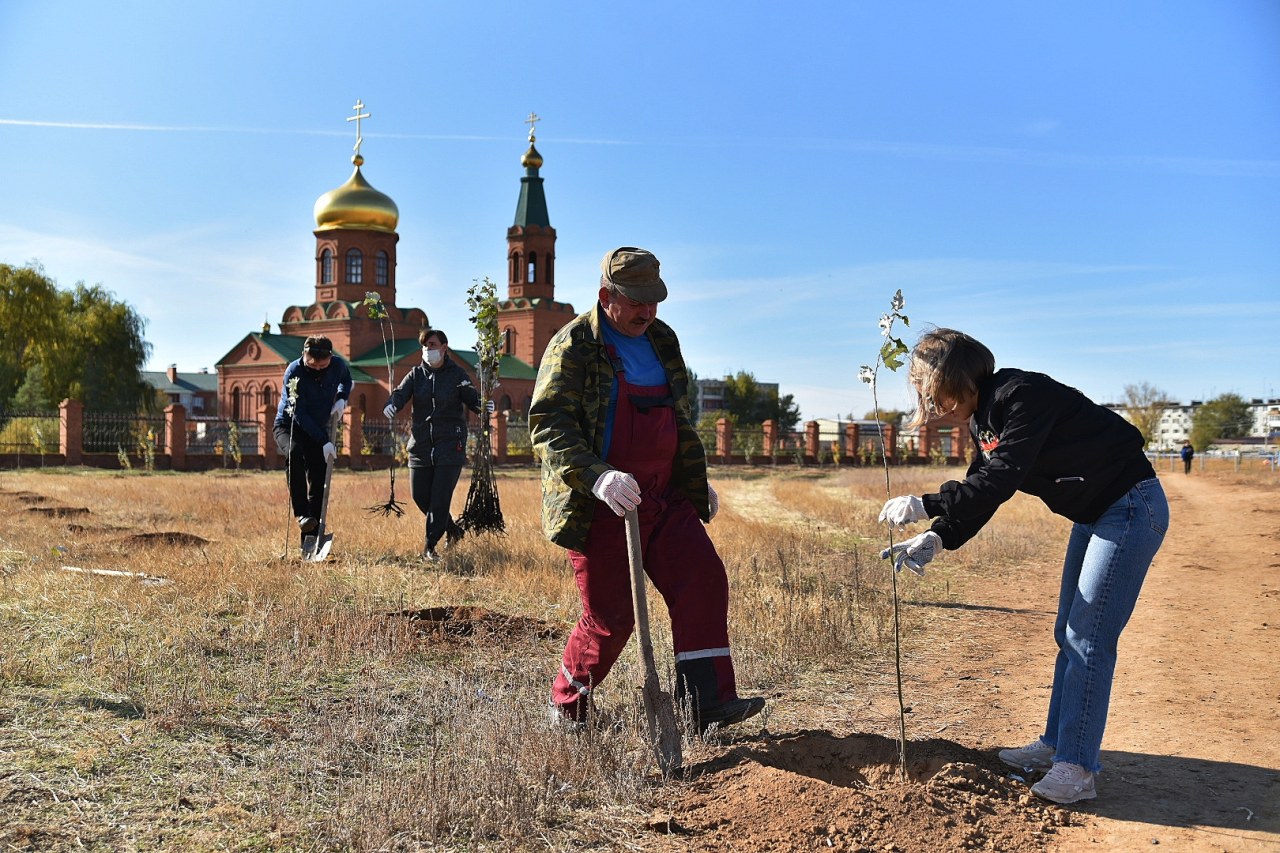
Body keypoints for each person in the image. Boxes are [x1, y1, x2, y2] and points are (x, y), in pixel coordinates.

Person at [877, 328, 1168, 805]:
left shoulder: (1022, 397)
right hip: (1095, 514)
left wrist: (926, 502)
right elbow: (982, 485)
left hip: (1130, 508)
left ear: (960, 380)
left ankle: (1077, 768)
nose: (933, 405)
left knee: (1088, 639)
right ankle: (1055, 745)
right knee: (1067, 634)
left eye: (936, 392)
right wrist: (939, 534)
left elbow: (1003, 478)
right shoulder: (983, 419)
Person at [529, 246, 765, 732]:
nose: (647, 310)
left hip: (664, 498)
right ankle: (566, 708)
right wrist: (598, 477)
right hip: (602, 505)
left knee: (702, 580)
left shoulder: (661, 339)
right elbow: (548, 426)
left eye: (653, 299)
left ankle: (705, 705)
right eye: (636, 300)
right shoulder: (573, 345)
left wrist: (694, 478)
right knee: (611, 616)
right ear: (606, 296)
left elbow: (677, 418)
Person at [383, 329, 490, 561]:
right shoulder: (415, 375)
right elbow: (400, 393)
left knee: (440, 498)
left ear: (444, 347)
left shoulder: (457, 374)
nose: (427, 350)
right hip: (420, 445)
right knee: (421, 496)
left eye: (431, 345)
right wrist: (392, 404)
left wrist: (483, 404)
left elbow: (472, 397)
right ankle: (454, 531)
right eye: (424, 346)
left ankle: (430, 548)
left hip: (450, 445)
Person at [274, 335, 352, 546]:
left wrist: (343, 397)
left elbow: (347, 379)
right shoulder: (294, 372)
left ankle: (311, 540)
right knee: (294, 452)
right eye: (312, 363)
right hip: (289, 426)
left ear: (330, 357)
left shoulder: (337, 365)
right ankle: (302, 514)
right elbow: (299, 413)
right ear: (304, 355)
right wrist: (324, 440)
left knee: (319, 480)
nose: (317, 368)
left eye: (322, 364)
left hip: (317, 429)